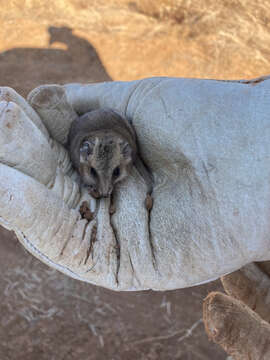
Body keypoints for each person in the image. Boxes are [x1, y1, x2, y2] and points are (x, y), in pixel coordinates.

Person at [1, 76, 270, 357]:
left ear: (128, 156)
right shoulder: (85, 149)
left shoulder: (124, 151)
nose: (104, 189)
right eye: (93, 174)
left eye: (116, 175)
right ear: (83, 154)